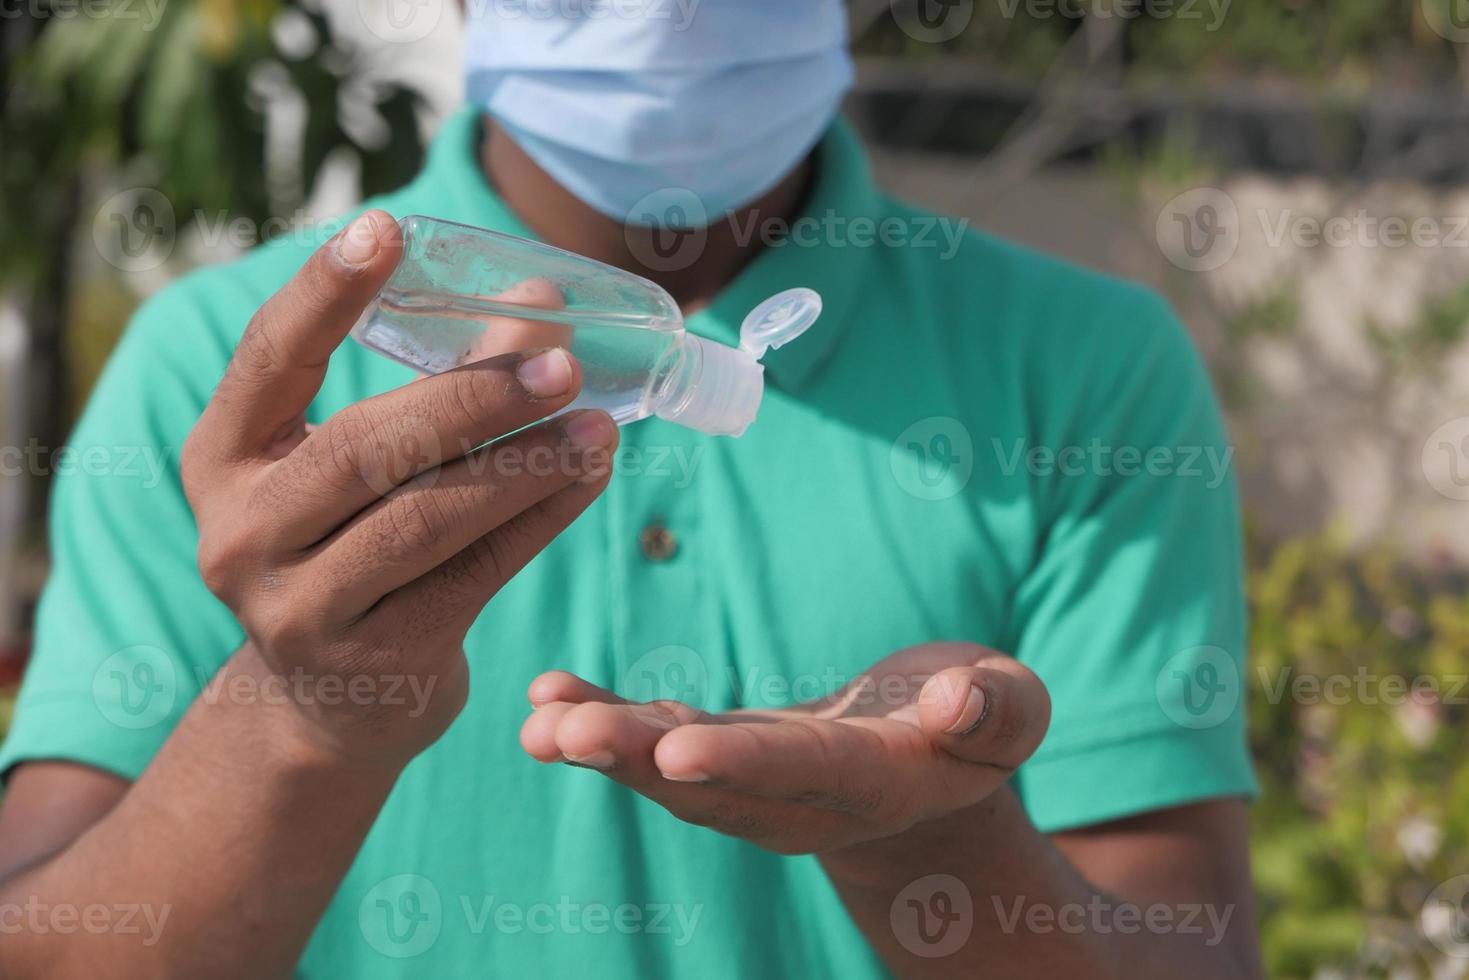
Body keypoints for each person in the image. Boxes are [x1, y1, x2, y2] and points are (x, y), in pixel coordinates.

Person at [0, 3, 1262, 977]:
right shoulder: (228, 378)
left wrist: (928, 833)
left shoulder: (1081, 370)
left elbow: (1188, 943)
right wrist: (303, 716)